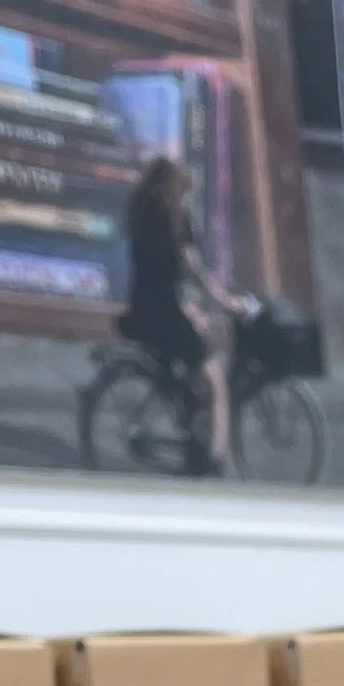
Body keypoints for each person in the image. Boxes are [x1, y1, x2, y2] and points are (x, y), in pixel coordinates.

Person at [120, 156, 241, 466]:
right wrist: (225, 300)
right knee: (215, 381)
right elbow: (192, 270)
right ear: (178, 189)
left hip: (143, 311)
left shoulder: (141, 215)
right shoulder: (175, 218)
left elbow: (156, 275)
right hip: (165, 315)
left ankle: (191, 425)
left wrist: (189, 308)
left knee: (200, 340)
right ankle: (213, 459)